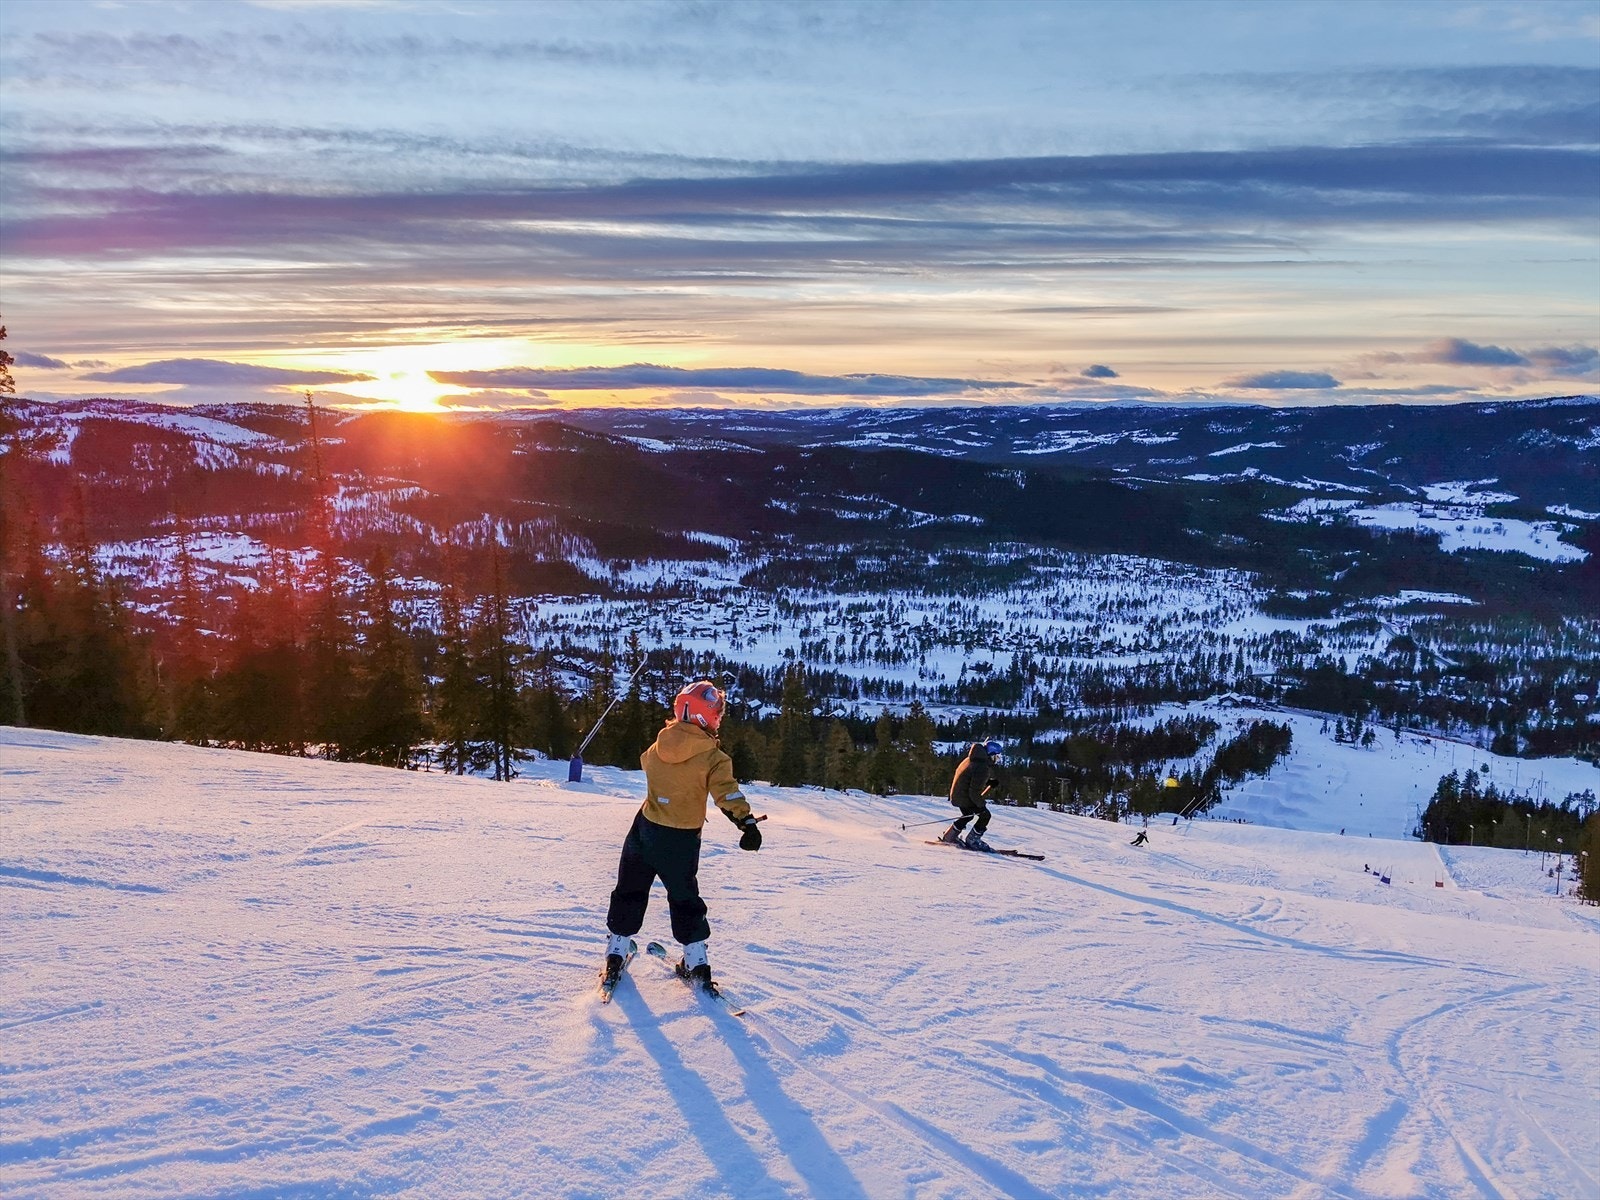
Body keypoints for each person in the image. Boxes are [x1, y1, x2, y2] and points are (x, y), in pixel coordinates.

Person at [602, 679, 762, 991]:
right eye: (717, 711)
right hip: (682, 840)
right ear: (706, 716)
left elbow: (646, 762)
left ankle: (616, 952)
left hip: (645, 830)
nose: (719, 716)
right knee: (684, 897)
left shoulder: (659, 745)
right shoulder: (714, 758)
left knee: (630, 889)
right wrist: (747, 823)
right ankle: (696, 963)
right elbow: (726, 794)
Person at [940, 738, 1004, 850]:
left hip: (958, 794)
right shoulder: (982, 767)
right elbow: (974, 791)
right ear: (991, 755)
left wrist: (988, 782)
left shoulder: (973, 758)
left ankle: (949, 836)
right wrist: (981, 805)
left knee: (967, 815)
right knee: (985, 815)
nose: (997, 759)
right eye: (996, 756)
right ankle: (973, 840)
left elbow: (970, 779)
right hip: (964, 796)